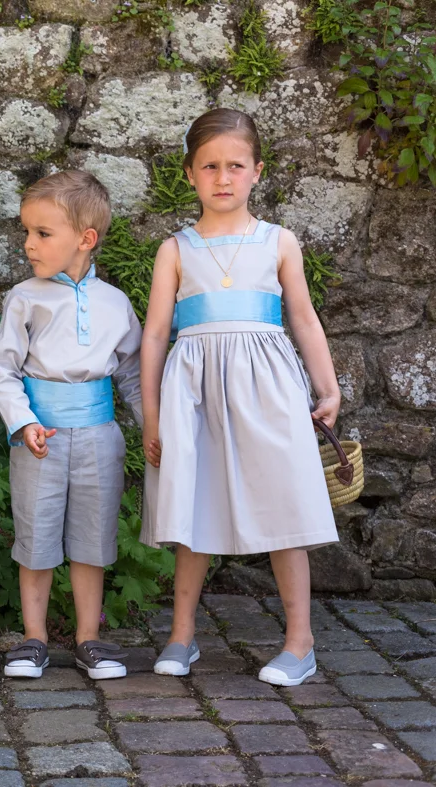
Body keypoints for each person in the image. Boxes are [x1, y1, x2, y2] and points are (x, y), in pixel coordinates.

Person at [141, 108, 340, 686]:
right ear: (190, 175)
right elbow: (156, 333)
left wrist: (327, 388)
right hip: (195, 389)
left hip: (267, 386)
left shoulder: (278, 242)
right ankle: (182, 635)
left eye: (235, 165)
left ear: (257, 171)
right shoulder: (175, 249)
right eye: (209, 167)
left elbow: (303, 318)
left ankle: (299, 643)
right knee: (193, 505)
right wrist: (152, 415)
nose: (222, 177)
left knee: (283, 503)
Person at [0, 171, 142, 681]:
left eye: (43, 234)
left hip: (99, 437)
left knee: (92, 539)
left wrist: (155, 430)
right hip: (40, 439)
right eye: (26, 232)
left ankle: (88, 638)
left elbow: (134, 374)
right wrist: (23, 422)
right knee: (36, 535)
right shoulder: (25, 298)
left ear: (85, 239)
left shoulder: (115, 303)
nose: (29, 244)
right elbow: (4, 369)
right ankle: (33, 639)